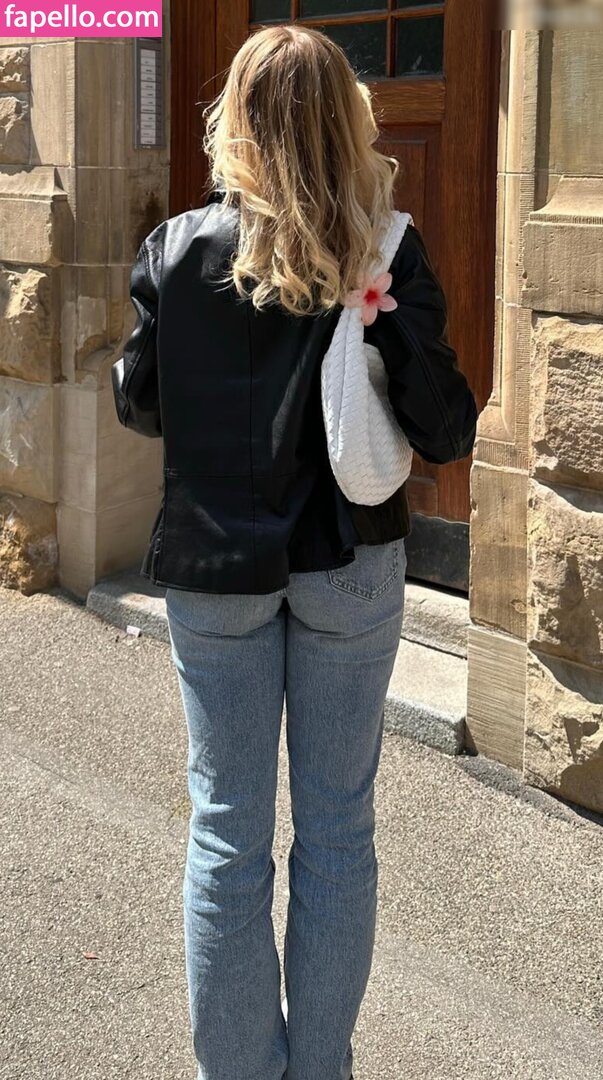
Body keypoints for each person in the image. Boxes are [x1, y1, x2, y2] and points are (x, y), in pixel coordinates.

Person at [112, 23, 477, 1080]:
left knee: (227, 833)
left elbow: (140, 404)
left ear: (235, 123)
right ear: (347, 122)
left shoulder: (178, 248)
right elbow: (445, 428)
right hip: (348, 563)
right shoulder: (386, 250)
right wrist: (384, 324)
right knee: (337, 831)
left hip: (217, 565)